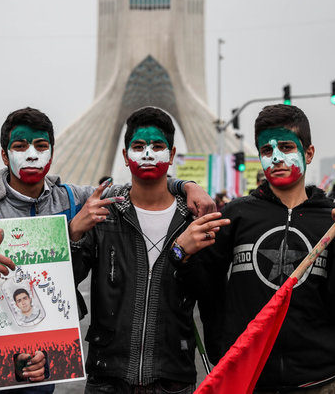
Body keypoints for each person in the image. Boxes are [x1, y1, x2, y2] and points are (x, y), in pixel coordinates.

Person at [0, 107, 215, 394]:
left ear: (52, 152)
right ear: (5, 155)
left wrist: (187, 186)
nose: (32, 154)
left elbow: (140, 185)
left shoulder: (71, 200)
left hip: (41, 367)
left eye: (41, 145)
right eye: (20, 146)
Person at [201, 104, 335, 393]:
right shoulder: (237, 215)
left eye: (287, 147)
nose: (276, 158)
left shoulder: (331, 219)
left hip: (318, 382)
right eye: (267, 151)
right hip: (248, 379)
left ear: (309, 153)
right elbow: (206, 289)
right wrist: (222, 350)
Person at [68, 106, 230, 393]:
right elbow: (67, 282)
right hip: (108, 377)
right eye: (139, 146)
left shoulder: (194, 220)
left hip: (171, 378)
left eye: (157, 146)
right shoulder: (104, 216)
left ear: (171, 155)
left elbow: (211, 298)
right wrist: (74, 234)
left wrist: (183, 254)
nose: (147, 154)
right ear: (125, 155)